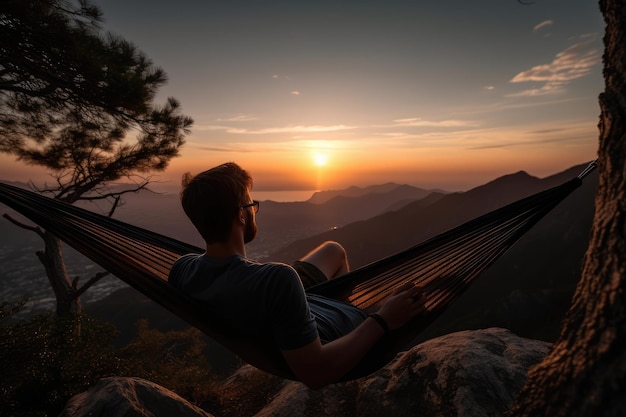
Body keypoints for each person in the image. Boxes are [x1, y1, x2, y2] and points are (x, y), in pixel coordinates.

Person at [168, 162, 426, 388]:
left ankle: (336, 307)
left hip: (266, 299)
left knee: (333, 250)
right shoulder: (277, 278)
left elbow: (232, 284)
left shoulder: (183, 269)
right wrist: (383, 319)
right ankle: (345, 320)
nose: (253, 211)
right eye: (252, 205)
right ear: (241, 216)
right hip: (331, 335)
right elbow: (315, 374)